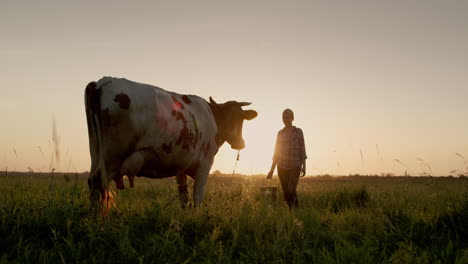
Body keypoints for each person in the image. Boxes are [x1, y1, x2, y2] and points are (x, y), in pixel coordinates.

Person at [267, 109, 307, 208]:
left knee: (291, 190)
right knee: (286, 194)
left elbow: (302, 149)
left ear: (292, 118)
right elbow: (276, 152)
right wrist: (271, 170)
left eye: (287, 117)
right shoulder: (280, 133)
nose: (285, 119)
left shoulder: (298, 131)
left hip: (295, 166)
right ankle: (291, 213)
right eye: (284, 117)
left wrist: (304, 166)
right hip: (281, 166)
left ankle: (297, 210)